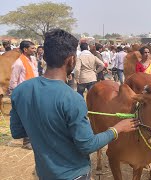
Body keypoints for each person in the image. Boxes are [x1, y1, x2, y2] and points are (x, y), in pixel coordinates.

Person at [10, 29, 140, 180]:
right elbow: (87, 146)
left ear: (44, 57)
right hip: (74, 174)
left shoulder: (20, 91)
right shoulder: (72, 99)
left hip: (44, 173)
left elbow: (17, 132)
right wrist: (117, 129)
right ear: (71, 60)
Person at [9, 40, 38, 150]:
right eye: (32, 48)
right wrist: (15, 95)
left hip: (34, 92)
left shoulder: (33, 60)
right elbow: (13, 81)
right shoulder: (18, 63)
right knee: (26, 117)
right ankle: (26, 142)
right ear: (25, 50)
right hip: (23, 94)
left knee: (34, 116)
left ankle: (33, 139)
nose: (34, 50)